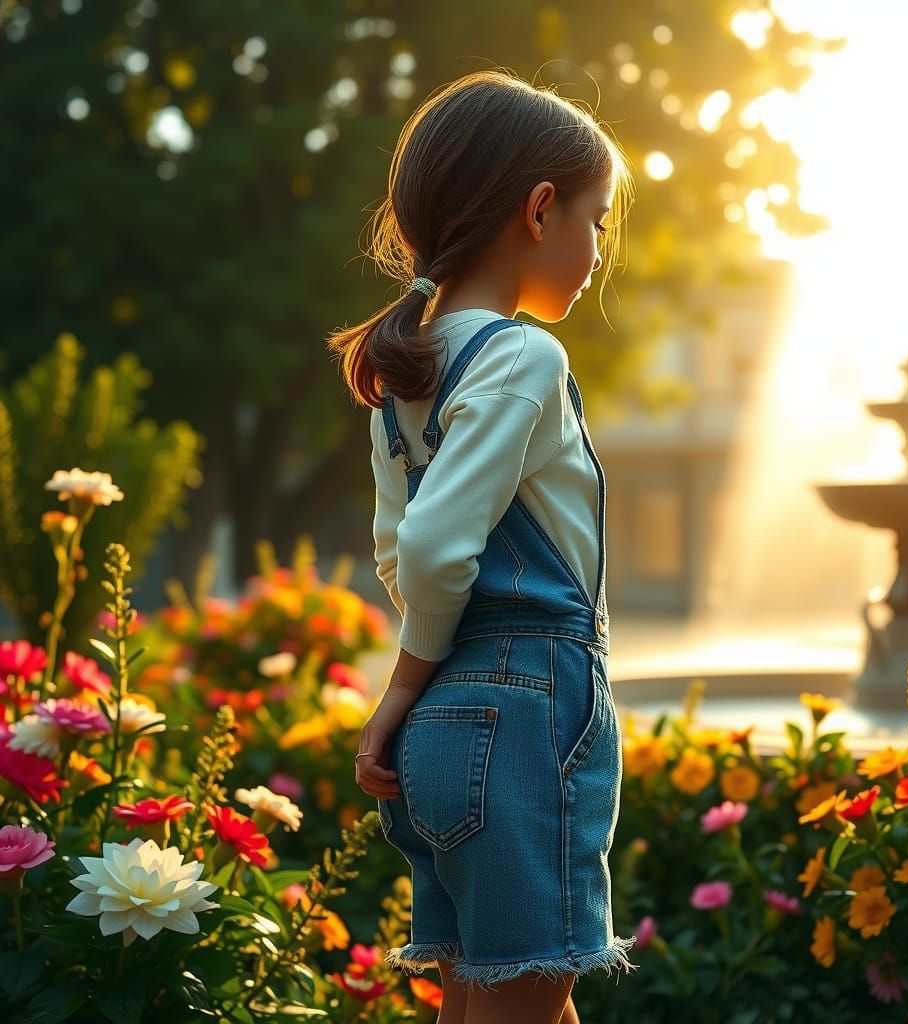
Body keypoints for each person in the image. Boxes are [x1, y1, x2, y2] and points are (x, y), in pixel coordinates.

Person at [327, 66, 638, 1024]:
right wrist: (400, 688)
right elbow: (428, 554)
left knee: (485, 1004)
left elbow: (397, 557)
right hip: (526, 704)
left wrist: (414, 697)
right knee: (524, 1004)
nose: (596, 250)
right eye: (594, 218)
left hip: (447, 731)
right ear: (539, 209)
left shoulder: (407, 368)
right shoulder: (521, 356)